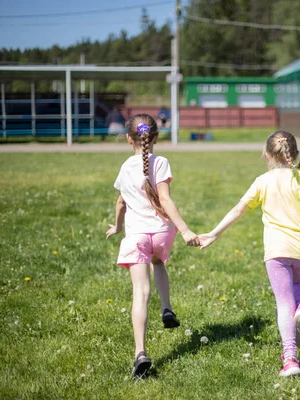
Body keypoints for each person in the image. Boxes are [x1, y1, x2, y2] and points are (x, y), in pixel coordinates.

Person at [197, 131, 300, 377]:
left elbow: (239, 209)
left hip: (276, 250)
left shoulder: (262, 181)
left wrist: (215, 233)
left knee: (284, 303)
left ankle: (291, 359)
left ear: (267, 154)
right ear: (294, 154)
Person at [105, 113, 200, 379]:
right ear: (156, 137)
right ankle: (167, 307)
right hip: (161, 234)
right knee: (159, 262)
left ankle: (140, 354)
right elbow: (166, 201)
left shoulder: (125, 167)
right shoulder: (162, 162)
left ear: (128, 139)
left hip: (136, 236)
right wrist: (184, 229)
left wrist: (117, 227)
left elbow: (121, 203)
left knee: (140, 292)